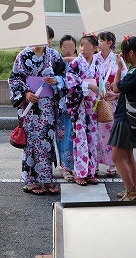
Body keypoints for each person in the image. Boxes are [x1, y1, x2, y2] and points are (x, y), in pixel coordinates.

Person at [8, 25, 62, 195]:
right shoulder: (23, 56)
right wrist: (26, 93)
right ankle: (31, 181)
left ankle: (47, 179)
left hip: (47, 106)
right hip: (30, 106)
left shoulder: (54, 56)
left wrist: (57, 81)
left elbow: (66, 76)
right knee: (31, 141)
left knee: (46, 140)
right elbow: (14, 79)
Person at [108, 35, 136, 201]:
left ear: (131, 53)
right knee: (127, 156)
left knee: (116, 157)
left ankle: (131, 192)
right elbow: (127, 93)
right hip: (130, 117)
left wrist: (119, 68)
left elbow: (116, 87)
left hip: (125, 118)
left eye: (124, 52)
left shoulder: (135, 72)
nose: (122, 55)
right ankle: (134, 189)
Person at [66, 33, 103, 186]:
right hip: (80, 105)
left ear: (95, 48)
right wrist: (88, 86)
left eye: (86, 45)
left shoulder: (97, 62)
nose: (82, 48)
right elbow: (71, 83)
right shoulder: (75, 63)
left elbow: (100, 80)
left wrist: (101, 89)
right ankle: (80, 173)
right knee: (80, 139)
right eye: (81, 45)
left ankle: (91, 172)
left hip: (92, 104)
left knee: (92, 139)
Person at [95, 31, 127, 178]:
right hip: (95, 98)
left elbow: (124, 80)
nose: (99, 43)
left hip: (111, 99)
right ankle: (93, 163)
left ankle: (112, 164)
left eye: (101, 40)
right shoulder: (94, 58)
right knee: (94, 132)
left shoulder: (117, 59)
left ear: (109, 43)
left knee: (111, 131)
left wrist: (114, 85)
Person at [54, 35, 77, 182]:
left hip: (75, 105)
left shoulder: (79, 62)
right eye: (65, 48)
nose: (68, 51)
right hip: (60, 104)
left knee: (74, 137)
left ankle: (74, 166)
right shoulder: (56, 62)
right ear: (60, 48)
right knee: (62, 136)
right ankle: (65, 166)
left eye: (71, 48)